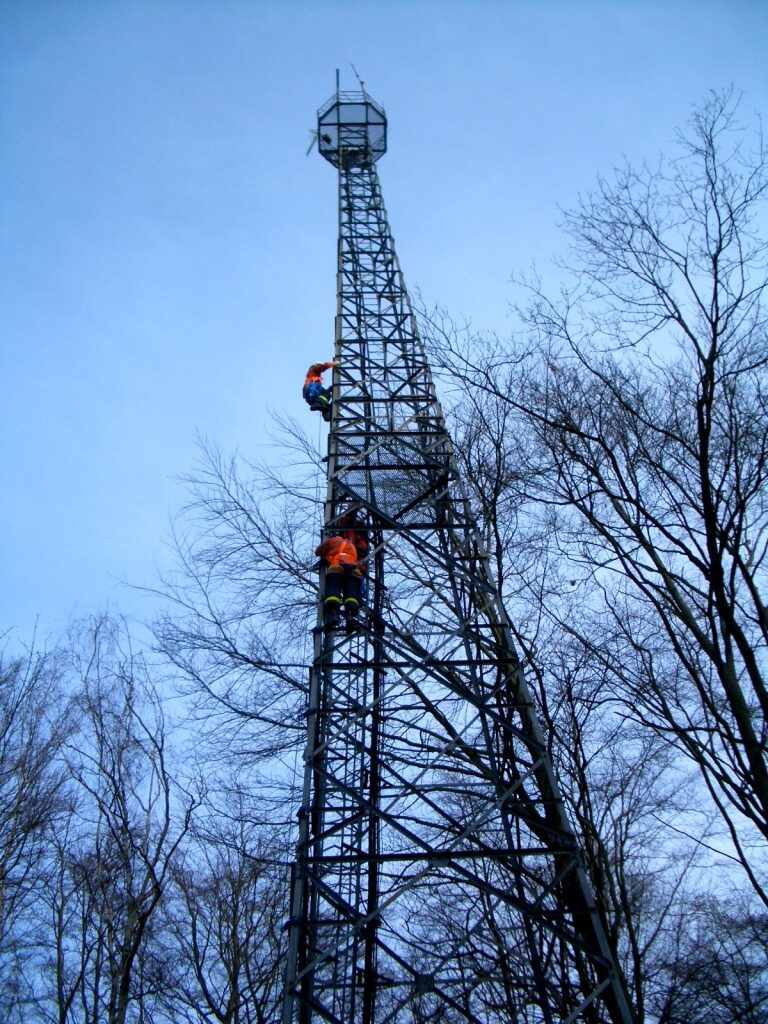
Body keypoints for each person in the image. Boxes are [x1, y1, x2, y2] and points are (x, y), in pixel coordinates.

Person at [316, 531, 362, 631]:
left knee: (333, 591)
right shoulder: (352, 546)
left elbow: (318, 551)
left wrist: (327, 552)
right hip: (354, 572)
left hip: (337, 568)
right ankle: (350, 617)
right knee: (351, 596)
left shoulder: (334, 540)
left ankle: (333, 616)